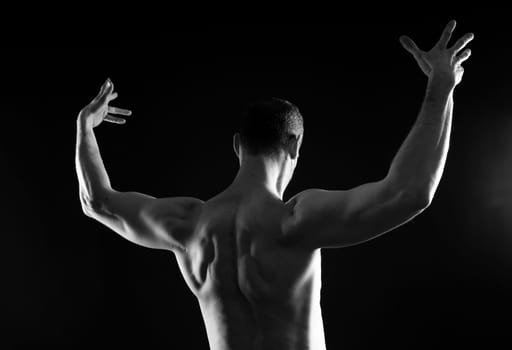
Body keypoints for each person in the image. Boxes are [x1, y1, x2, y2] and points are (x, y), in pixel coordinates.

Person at [75, 20, 473, 350]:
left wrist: (84, 128)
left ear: (236, 146)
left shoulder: (189, 223)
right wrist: (441, 88)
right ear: (294, 143)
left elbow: (97, 201)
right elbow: (410, 192)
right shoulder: (295, 221)